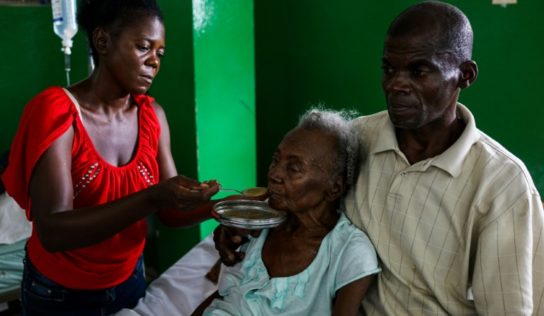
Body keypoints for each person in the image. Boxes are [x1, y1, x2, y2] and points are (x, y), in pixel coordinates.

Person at [214, 1, 544, 315]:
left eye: (419, 72)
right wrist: (244, 229)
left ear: (465, 75)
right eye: (389, 69)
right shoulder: (353, 140)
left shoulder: (502, 186)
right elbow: (292, 200)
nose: (396, 85)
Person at [0, 0, 221, 315]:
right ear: (103, 41)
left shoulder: (152, 116)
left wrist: (229, 207)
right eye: (143, 47)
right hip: (60, 294)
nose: (154, 62)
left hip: (129, 280)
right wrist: (153, 197)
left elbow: (170, 212)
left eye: (160, 53)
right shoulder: (58, 113)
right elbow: (53, 232)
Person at [193, 109, 380, 315]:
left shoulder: (349, 252)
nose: (274, 174)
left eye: (294, 168)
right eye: (275, 160)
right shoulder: (257, 225)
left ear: (334, 187)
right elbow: (224, 295)